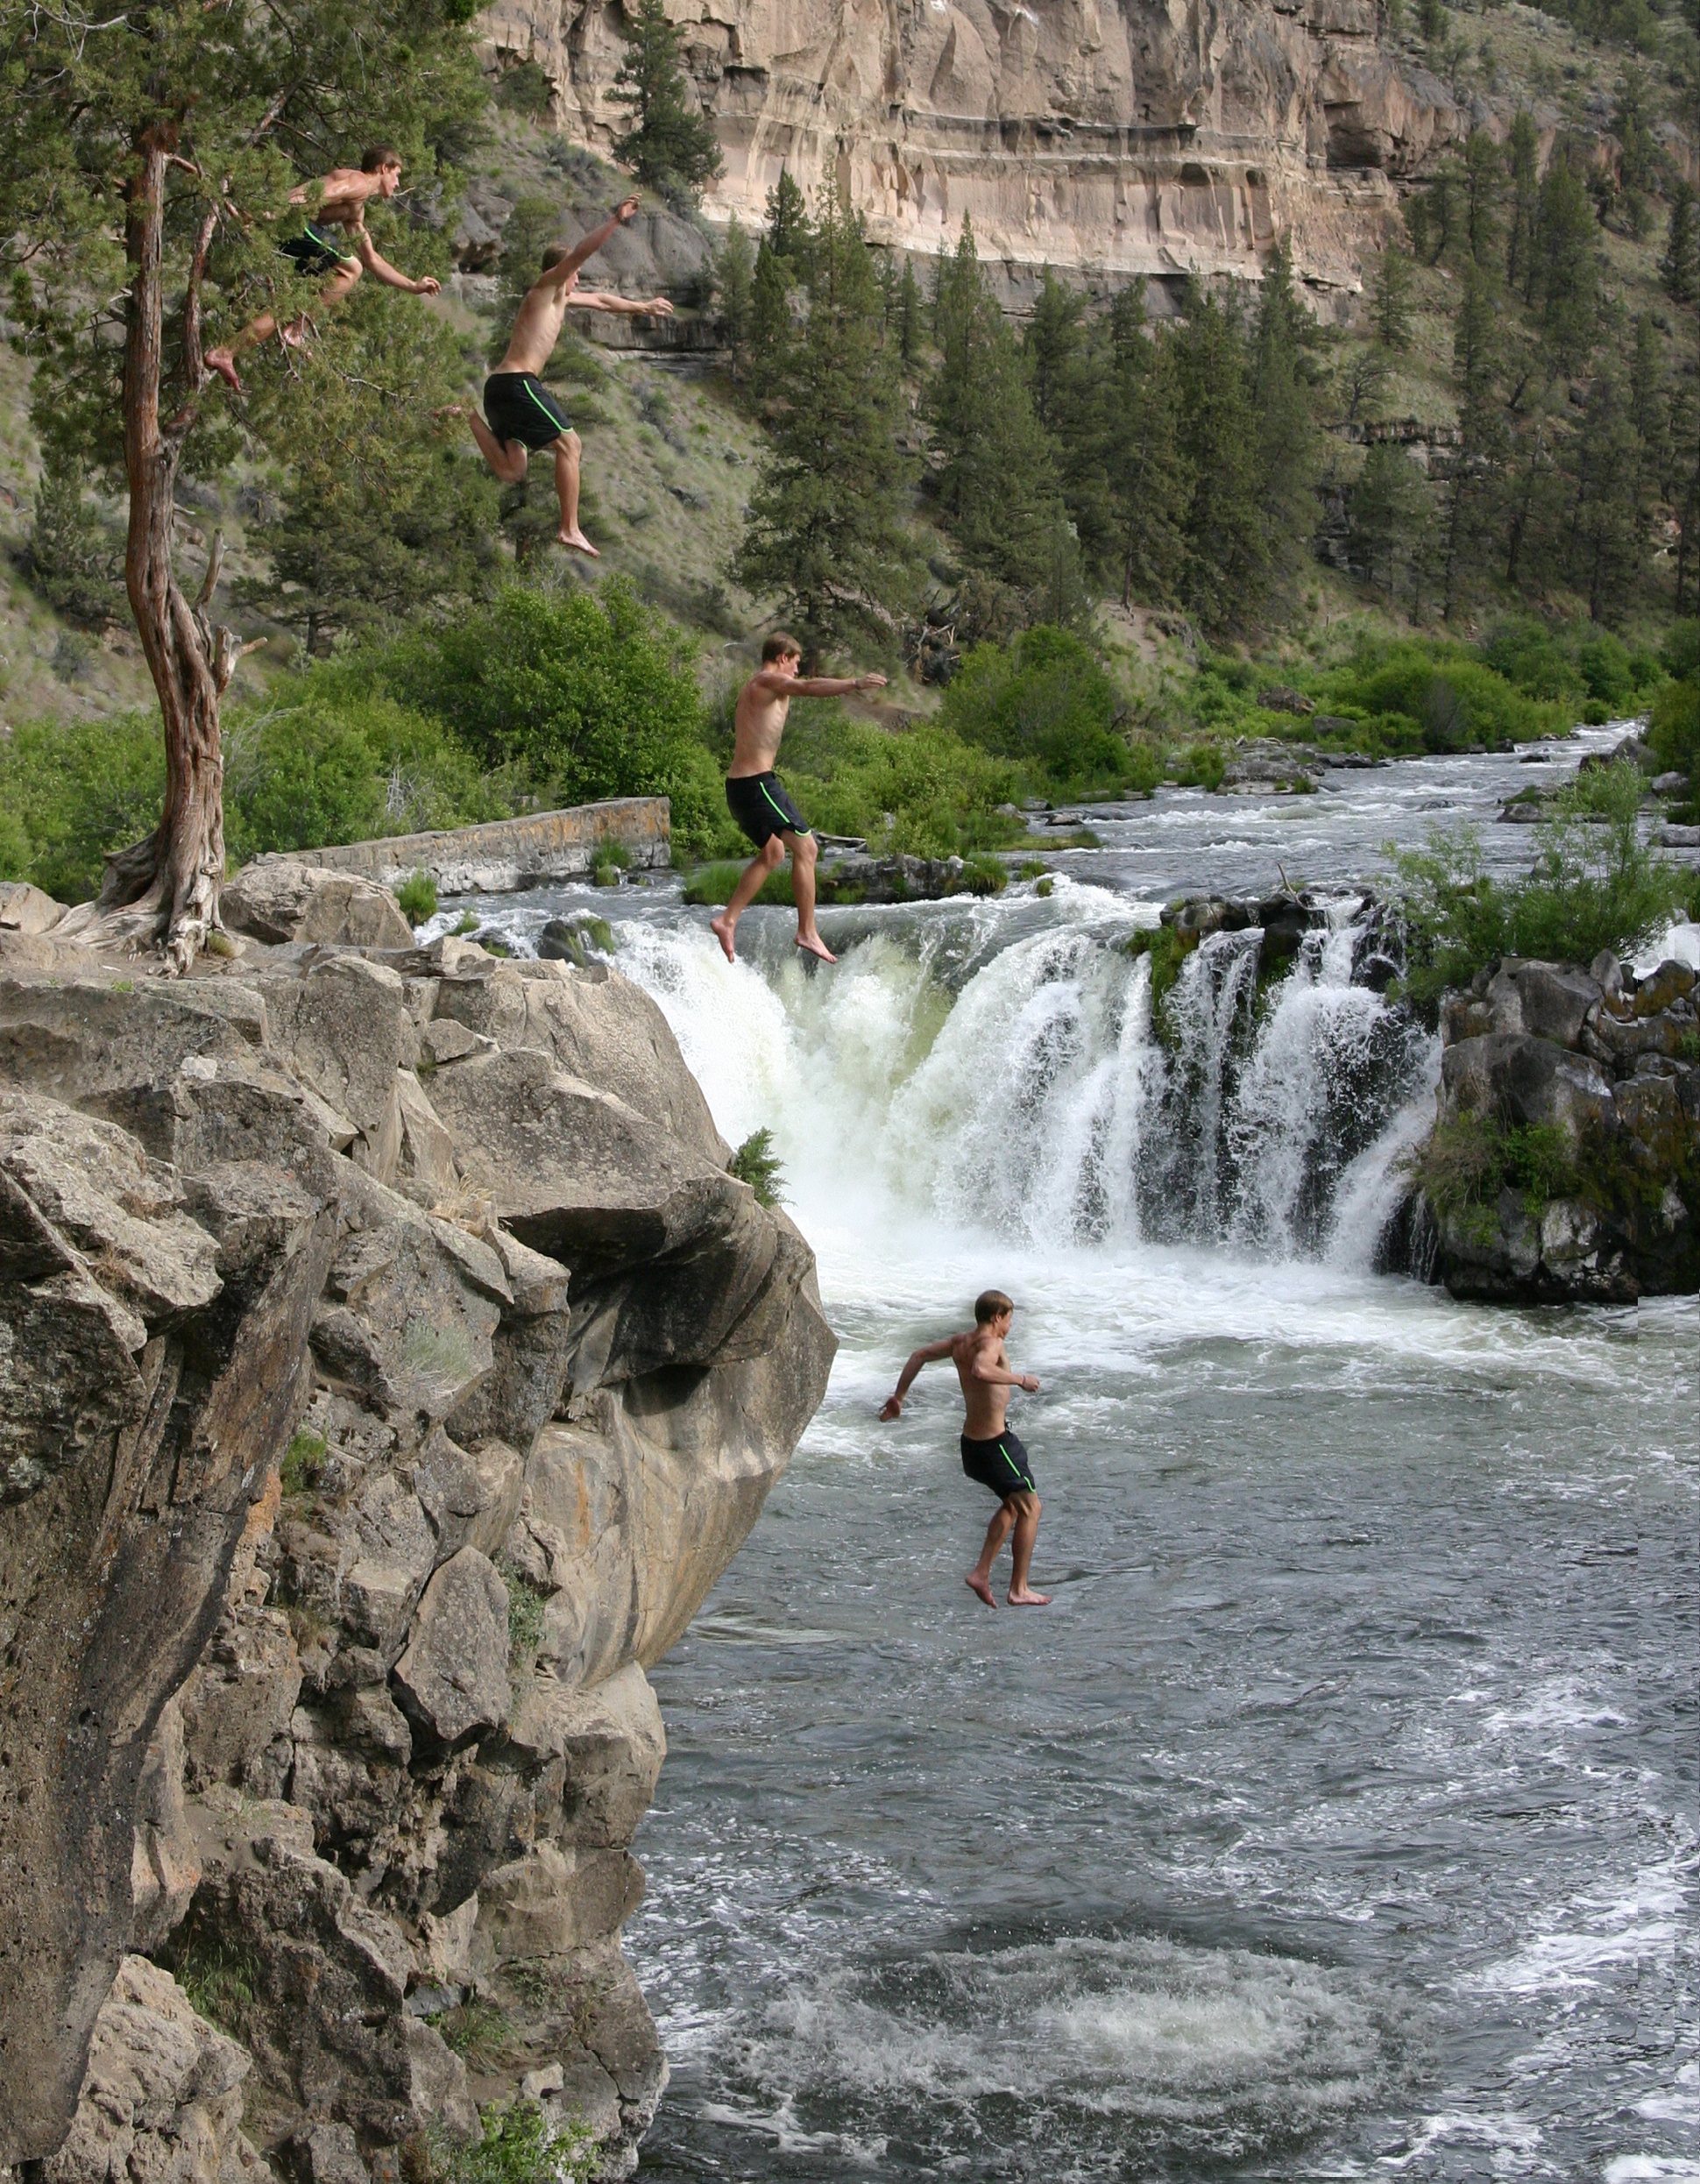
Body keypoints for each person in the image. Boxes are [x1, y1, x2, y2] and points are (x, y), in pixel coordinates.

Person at [457, 197, 675, 556]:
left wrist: (642, 306)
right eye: (574, 273)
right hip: (517, 384)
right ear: (561, 270)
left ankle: (466, 414)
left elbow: (604, 301)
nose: (578, 278)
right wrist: (615, 221)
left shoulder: (560, 300)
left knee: (513, 471)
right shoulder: (546, 288)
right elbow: (581, 255)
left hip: (499, 391)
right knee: (571, 444)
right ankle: (569, 528)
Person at [710, 633, 888, 968]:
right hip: (755, 784)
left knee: (774, 853)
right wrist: (854, 683)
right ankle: (807, 930)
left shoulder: (765, 686)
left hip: (742, 786)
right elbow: (807, 687)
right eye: (795, 661)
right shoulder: (766, 681)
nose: (797, 669)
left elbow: (799, 687)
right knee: (807, 849)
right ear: (781, 657)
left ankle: (727, 921)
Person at [207, 148, 442, 394]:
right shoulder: (359, 182)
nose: (397, 183)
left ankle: (225, 352)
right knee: (351, 268)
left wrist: (413, 286)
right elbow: (317, 194)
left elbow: (373, 259)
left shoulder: (356, 209)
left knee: (290, 306)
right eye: (397, 174)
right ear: (383, 168)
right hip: (288, 220)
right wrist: (269, 213)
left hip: (286, 230)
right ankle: (297, 331)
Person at [879, 1289, 1051, 1607]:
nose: (1010, 1327)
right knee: (1031, 1508)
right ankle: (1019, 1588)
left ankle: (981, 1573)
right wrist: (1020, 1379)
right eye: (1010, 1319)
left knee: (1013, 1506)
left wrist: (899, 1396)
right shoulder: (991, 1344)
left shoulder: (960, 1342)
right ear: (997, 1317)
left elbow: (919, 1355)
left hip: (971, 1447)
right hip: (995, 1446)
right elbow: (980, 1370)